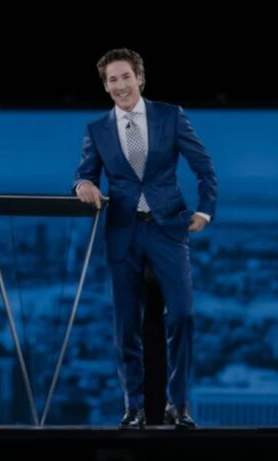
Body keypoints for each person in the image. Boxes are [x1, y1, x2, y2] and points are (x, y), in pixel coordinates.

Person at [73, 48, 217, 429]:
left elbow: (203, 166)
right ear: (106, 87)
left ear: (140, 77)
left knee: (182, 315)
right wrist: (83, 184)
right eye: (112, 80)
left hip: (167, 228)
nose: (120, 85)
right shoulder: (97, 130)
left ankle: (178, 404)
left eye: (126, 76)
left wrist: (205, 210)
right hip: (124, 231)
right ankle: (133, 407)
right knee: (126, 325)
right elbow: (84, 173)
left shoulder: (170, 116)